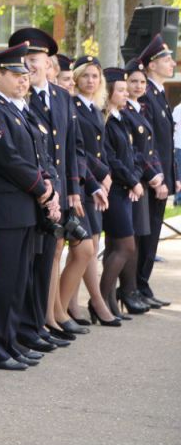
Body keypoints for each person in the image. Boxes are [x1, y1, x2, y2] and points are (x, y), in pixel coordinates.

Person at [0, 43, 57, 371]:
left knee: (15, 283)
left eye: (25, 73)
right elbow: (7, 157)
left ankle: (9, 343)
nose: (24, 79)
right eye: (16, 74)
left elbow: (35, 152)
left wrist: (46, 185)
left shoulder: (13, 107)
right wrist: (41, 187)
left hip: (20, 209)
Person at [8, 28, 84, 348]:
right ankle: (35, 322)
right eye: (24, 60)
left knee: (50, 256)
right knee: (33, 261)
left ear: (48, 62)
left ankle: (43, 320)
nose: (30, 66)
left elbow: (68, 146)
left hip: (58, 191)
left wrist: (72, 188)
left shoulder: (62, 97)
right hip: (32, 190)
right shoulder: (19, 99)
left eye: (35, 59)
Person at [67, 56, 118, 327]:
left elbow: (101, 148)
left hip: (96, 183)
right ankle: (94, 301)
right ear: (76, 78)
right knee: (84, 247)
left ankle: (74, 304)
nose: (90, 80)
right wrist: (101, 176)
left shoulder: (96, 108)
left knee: (93, 243)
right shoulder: (74, 106)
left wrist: (106, 174)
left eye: (95, 76)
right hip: (84, 183)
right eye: (85, 75)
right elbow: (81, 151)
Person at [100, 68, 145, 320]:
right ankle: (102, 302)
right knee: (125, 247)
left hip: (126, 188)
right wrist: (130, 180)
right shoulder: (105, 119)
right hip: (116, 190)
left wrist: (135, 178)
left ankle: (107, 303)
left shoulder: (121, 117)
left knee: (117, 247)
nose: (126, 93)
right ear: (108, 92)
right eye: (121, 89)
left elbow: (134, 155)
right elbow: (112, 159)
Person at [136, 34, 176, 308]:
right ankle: (136, 286)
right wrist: (156, 177)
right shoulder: (147, 95)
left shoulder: (159, 93)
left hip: (162, 177)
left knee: (151, 237)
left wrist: (174, 176)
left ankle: (143, 285)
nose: (172, 63)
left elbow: (166, 142)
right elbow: (147, 143)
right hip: (151, 179)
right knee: (145, 236)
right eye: (166, 59)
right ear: (151, 65)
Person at [119, 60, 162, 315]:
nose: (137, 86)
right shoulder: (124, 112)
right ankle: (126, 290)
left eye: (141, 82)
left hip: (142, 180)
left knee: (138, 238)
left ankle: (133, 289)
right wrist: (147, 174)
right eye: (132, 82)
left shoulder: (140, 109)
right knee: (129, 241)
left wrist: (156, 174)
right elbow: (132, 152)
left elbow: (150, 147)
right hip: (133, 181)